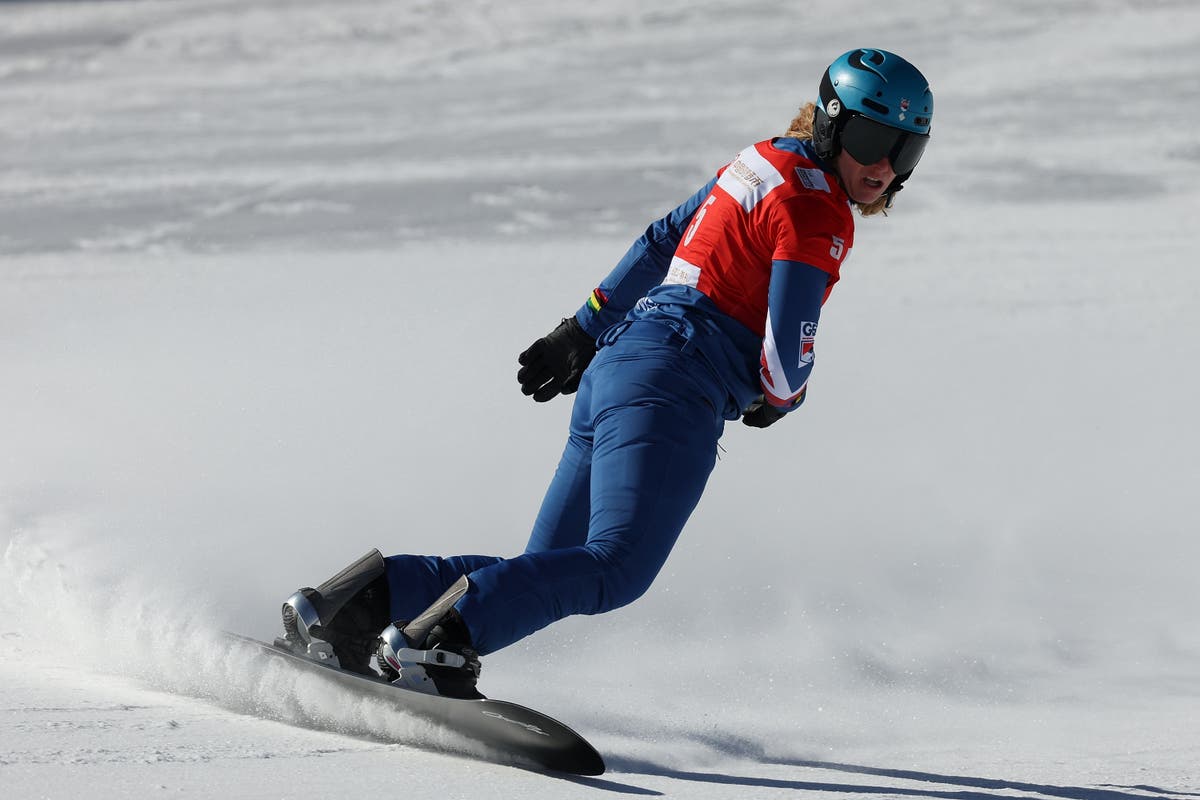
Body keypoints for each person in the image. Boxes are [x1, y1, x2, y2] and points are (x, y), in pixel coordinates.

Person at [278, 48, 934, 699]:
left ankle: (348, 609)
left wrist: (581, 329)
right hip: (676, 384)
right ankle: (429, 646)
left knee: (544, 569)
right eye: (872, 138)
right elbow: (789, 341)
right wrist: (784, 397)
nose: (882, 166)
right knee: (616, 569)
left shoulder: (760, 160)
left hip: (623, 362)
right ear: (830, 122)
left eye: (904, 150)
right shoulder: (822, 211)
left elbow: (661, 241)